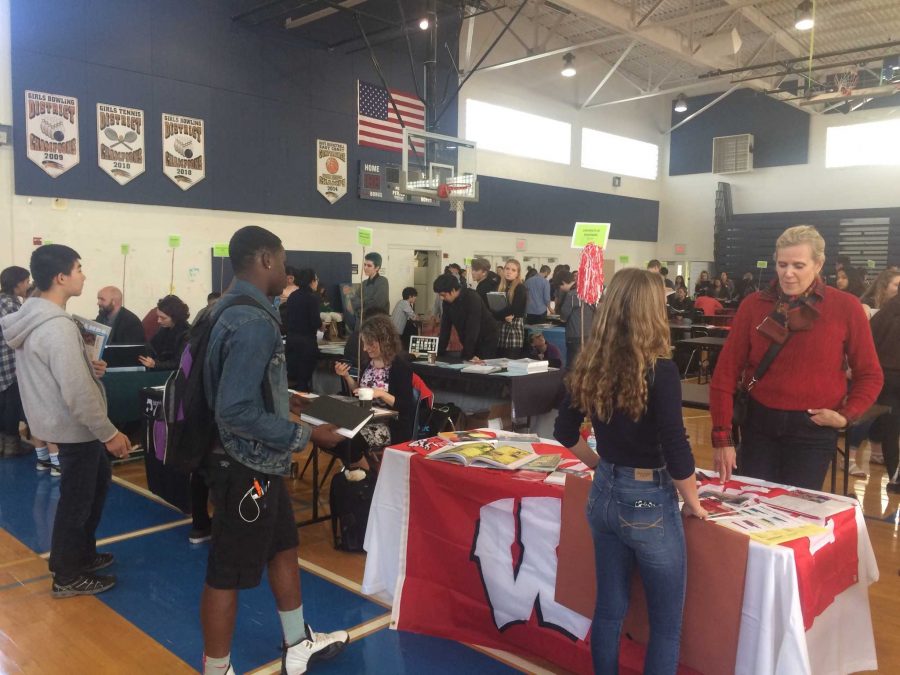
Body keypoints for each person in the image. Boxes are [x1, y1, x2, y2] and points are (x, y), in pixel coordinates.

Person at [201, 225, 348, 675]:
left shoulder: (221, 308)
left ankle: (296, 640)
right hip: (245, 464)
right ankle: (218, 668)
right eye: (283, 261)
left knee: (284, 545)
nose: (286, 271)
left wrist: (291, 400)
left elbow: (241, 384)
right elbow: (236, 409)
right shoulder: (254, 321)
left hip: (256, 462)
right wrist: (308, 436)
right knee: (227, 571)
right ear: (265, 259)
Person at [554, 268, 706, 675]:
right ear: (652, 311)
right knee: (666, 626)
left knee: (609, 611)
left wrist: (603, 467)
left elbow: (564, 432)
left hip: (603, 495)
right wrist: (694, 503)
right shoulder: (661, 371)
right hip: (648, 502)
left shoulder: (589, 364)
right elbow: (676, 448)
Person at [1, 244, 132, 598]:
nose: (83, 275)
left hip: (57, 420)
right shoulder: (56, 326)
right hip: (74, 426)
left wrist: (88, 368)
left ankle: (81, 555)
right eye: (78, 268)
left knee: (93, 489)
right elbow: (76, 393)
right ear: (61, 277)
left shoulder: (36, 317)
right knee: (77, 500)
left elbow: (59, 372)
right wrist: (109, 433)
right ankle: (67, 573)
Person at [710, 225, 883, 490]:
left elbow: (870, 374)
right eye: (782, 264)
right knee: (754, 504)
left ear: (819, 264)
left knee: (796, 511)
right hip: (759, 425)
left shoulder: (846, 307)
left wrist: (846, 416)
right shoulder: (753, 305)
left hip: (813, 430)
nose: (788, 273)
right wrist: (722, 438)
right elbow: (724, 374)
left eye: (799, 265)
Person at [333, 315, 416, 471]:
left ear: (384, 341)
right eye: (364, 343)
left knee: (349, 441)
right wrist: (346, 377)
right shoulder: (368, 364)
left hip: (390, 427)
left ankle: (369, 477)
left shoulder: (400, 367)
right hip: (366, 421)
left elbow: (406, 407)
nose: (365, 348)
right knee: (334, 435)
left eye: (370, 343)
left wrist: (381, 394)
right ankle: (362, 472)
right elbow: (360, 391)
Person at [869, 293, 900, 491]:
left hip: (886, 377)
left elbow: (869, 343)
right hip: (889, 374)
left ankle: (894, 478)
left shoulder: (885, 312)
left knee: (890, 428)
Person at [0, 266, 31, 457]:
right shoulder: (12, 305)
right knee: (11, 405)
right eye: (27, 281)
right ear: (18, 283)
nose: (28, 285)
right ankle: (12, 445)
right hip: (10, 361)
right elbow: (22, 334)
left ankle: (2, 444)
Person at [433, 274, 499, 361]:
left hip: (486, 338)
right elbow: (445, 329)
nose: (441, 298)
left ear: (452, 290)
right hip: (468, 339)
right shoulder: (447, 303)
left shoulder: (472, 297)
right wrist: (438, 354)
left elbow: (473, 328)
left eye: (443, 295)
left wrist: (468, 355)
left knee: (480, 367)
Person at [284, 269, 322, 392]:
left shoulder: (292, 296)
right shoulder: (313, 298)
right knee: (304, 381)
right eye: (316, 280)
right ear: (311, 281)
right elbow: (315, 322)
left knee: (294, 379)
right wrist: (322, 326)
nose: (317, 282)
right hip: (306, 343)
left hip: (291, 341)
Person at [138, 295, 191, 370]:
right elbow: (152, 347)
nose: (158, 321)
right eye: (158, 317)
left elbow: (180, 363)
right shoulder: (164, 329)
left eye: (163, 318)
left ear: (175, 317)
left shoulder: (187, 335)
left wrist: (155, 365)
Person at [557, 272, 595, 368]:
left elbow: (563, 316)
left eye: (560, 286)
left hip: (575, 334)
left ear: (563, 283)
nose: (560, 289)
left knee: (573, 365)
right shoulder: (589, 293)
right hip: (589, 333)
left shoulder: (571, 295)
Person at [494, 259, 527, 357]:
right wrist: (502, 315)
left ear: (517, 273)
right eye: (507, 268)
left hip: (514, 328)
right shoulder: (500, 287)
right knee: (499, 359)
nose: (509, 271)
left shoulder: (520, 288)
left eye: (513, 270)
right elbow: (493, 310)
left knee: (511, 360)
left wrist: (501, 314)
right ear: (503, 270)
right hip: (501, 327)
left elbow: (515, 310)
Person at [351, 252, 389, 318]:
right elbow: (354, 300)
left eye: (369, 265)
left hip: (376, 321)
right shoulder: (364, 283)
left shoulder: (382, 281)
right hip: (362, 319)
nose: (365, 268)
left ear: (377, 268)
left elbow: (378, 304)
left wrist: (362, 303)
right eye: (364, 264)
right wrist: (365, 303)